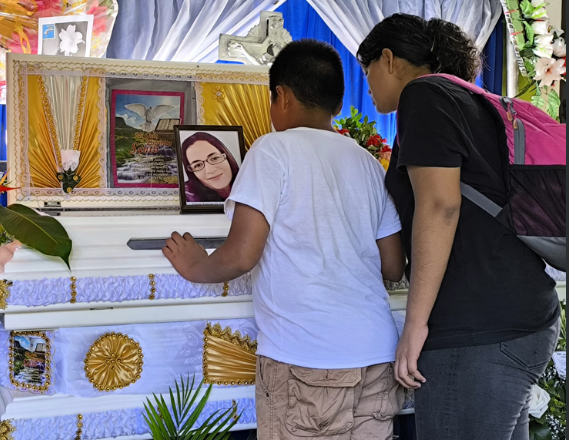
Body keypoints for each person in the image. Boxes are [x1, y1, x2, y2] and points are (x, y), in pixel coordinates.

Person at [163, 39, 406, 439]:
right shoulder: (364, 160)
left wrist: (193, 264)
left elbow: (241, 255)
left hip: (308, 359)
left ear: (281, 96)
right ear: (338, 104)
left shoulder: (272, 149)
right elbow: (393, 265)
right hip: (378, 359)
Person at [357, 14, 560, 440]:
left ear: (390, 59)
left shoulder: (425, 95)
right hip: (516, 316)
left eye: (367, 68)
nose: (368, 83)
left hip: (478, 330)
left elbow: (440, 205)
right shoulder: (471, 101)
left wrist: (415, 326)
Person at [181, 132, 240, 203]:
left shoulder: (250, 182)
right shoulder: (185, 195)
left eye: (214, 158)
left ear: (226, 156)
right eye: (198, 165)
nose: (210, 170)